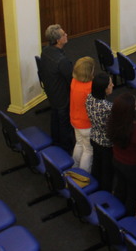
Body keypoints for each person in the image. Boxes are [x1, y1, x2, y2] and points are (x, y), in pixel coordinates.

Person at [107, 92, 136, 215]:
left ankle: (116, 213)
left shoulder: (112, 122)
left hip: (116, 160)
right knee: (132, 194)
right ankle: (128, 218)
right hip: (133, 167)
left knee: (120, 187)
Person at [39, 24, 74, 152]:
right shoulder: (62, 61)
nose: (66, 35)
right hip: (62, 96)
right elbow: (71, 79)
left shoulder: (45, 51)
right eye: (64, 34)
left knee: (55, 117)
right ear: (58, 40)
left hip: (51, 91)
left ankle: (56, 140)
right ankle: (65, 148)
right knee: (64, 123)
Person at [87, 72, 114, 192]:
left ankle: (94, 189)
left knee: (96, 165)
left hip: (94, 137)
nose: (113, 85)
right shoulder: (108, 107)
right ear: (104, 89)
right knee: (107, 172)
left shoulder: (89, 98)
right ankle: (105, 195)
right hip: (106, 143)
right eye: (110, 84)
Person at [70, 57, 95, 171]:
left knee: (79, 144)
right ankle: (83, 175)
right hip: (86, 124)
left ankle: (74, 168)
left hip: (75, 120)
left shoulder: (74, 81)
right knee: (88, 150)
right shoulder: (90, 87)